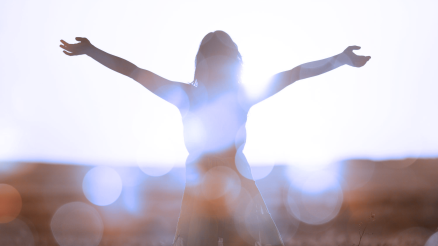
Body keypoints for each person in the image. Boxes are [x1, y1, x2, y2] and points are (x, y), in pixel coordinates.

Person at [60, 31, 370, 246]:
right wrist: (92, 51)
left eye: (223, 60)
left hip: (238, 191)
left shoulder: (233, 96)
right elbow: (134, 71)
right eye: (215, 60)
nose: (218, 67)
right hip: (203, 192)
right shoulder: (192, 95)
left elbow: (295, 73)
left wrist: (339, 59)